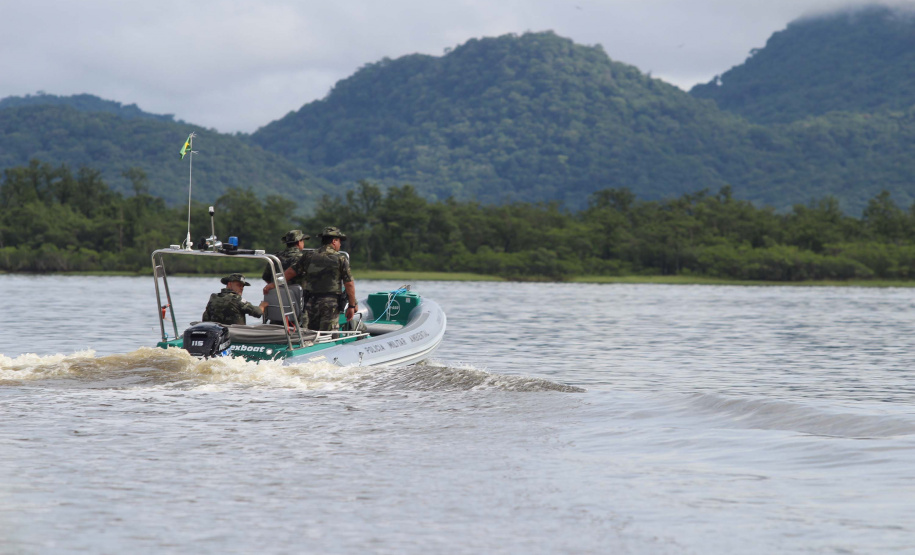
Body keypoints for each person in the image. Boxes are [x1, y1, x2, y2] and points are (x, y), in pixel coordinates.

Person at [263, 226, 357, 332]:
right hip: (330, 304)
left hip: (311, 303)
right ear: (334, 241)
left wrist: (273, 285)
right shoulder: (340, 258)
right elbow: (349, 284)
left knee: (311, 334)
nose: (340, 244)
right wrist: (352, 305)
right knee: (328, 335)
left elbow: (290, 272)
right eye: (339, 241)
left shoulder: (309, 255)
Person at [202, 273, 270, 325]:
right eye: (239, 285)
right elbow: (257, 313)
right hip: (235, 335)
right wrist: (262, 306)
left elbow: (205, 318)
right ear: (229, 284)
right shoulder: (236, 298)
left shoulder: (213, 297)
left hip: (217, 333)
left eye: (243, 286)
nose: (241, 288)